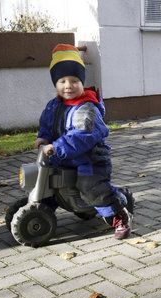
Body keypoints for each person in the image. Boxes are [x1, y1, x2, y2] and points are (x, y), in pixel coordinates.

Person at [35, 44, 133, 240]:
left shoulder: (86, 108)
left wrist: (57, 147)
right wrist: (43, 137)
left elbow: (81, 136)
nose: (68, 86)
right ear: (55, 83)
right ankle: (44, 206)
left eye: (74, 80)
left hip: (89, 160)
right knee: (51, 181)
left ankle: (119, 213)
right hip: (63, 158)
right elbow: (46, 123)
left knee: (90, 186)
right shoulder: (53, 105)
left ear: (82, 82)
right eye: (62, 81)